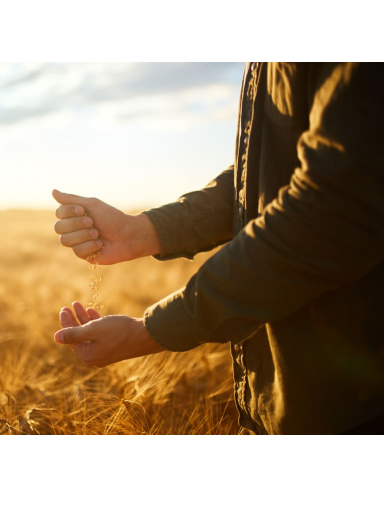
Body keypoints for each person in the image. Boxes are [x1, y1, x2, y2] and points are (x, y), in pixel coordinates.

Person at [52, 62, 384, 436]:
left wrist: (150, 330)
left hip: (354, 401)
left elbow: (332, 212)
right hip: (282, 400)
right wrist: (139, 231)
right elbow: (262, 174)